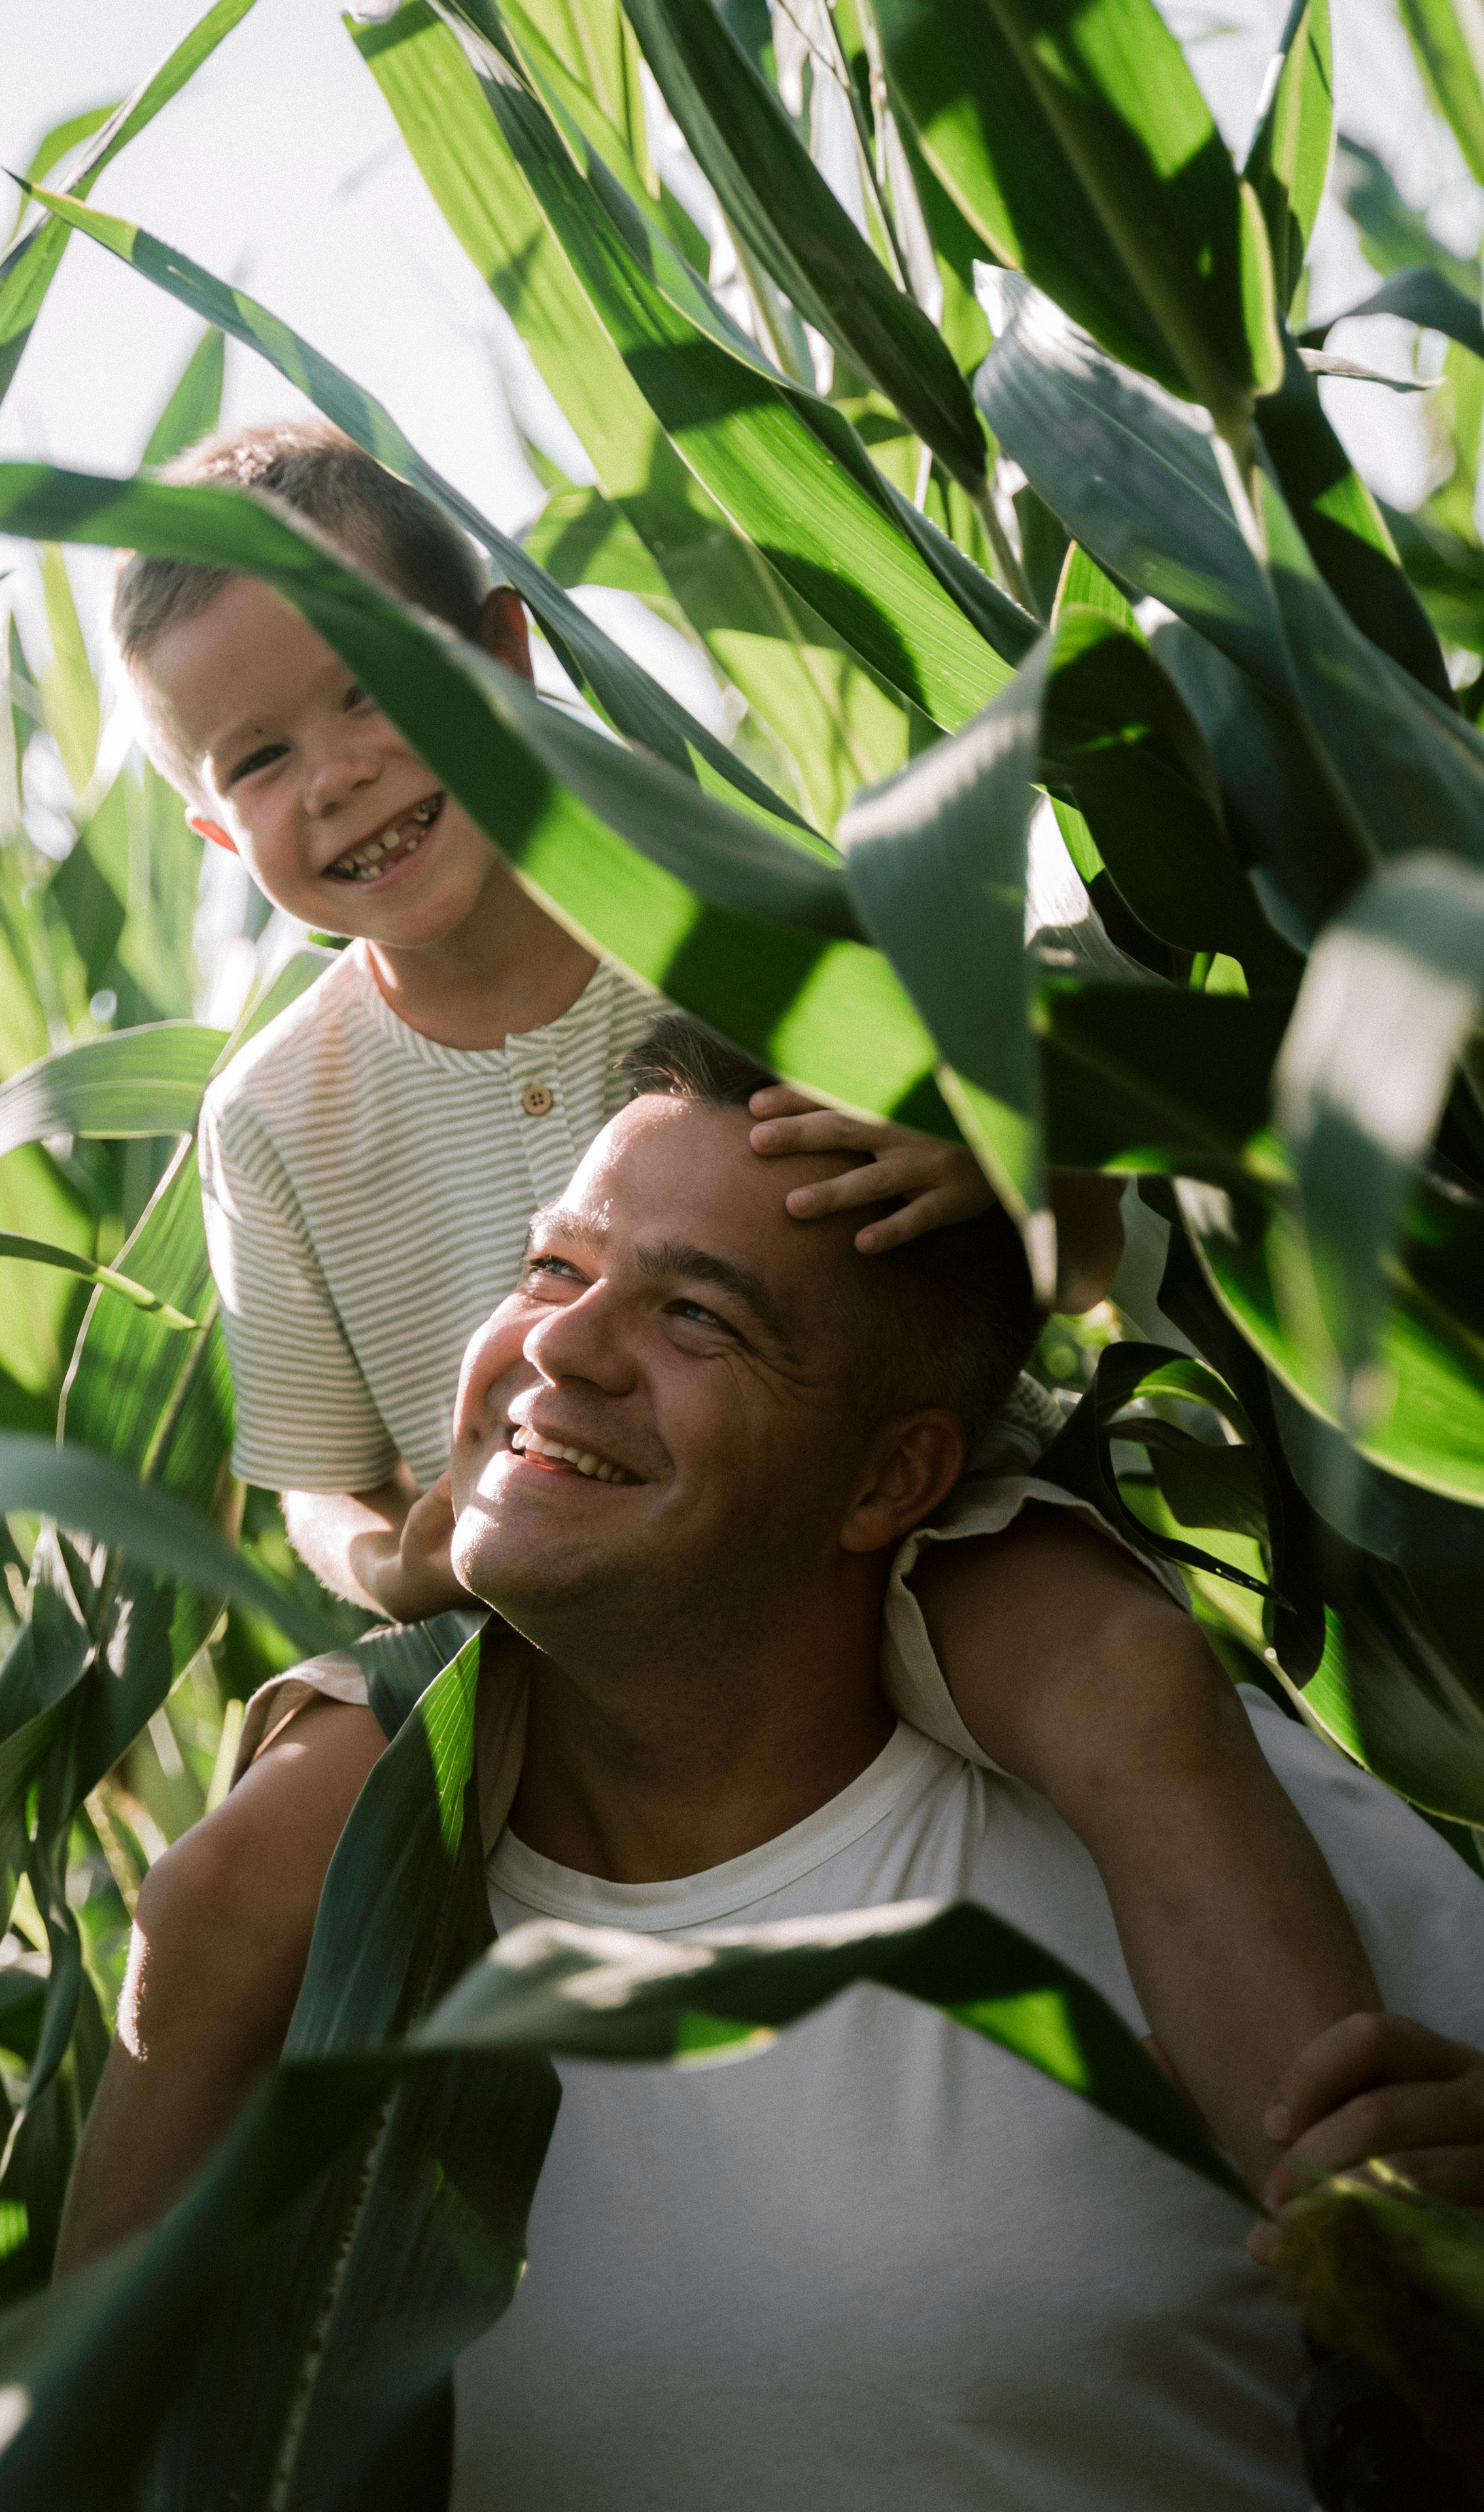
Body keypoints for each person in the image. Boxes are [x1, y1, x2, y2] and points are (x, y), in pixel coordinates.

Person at [54, 421, 1376, 2275]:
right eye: (257, 758)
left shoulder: (756, 929)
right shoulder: (273, 1115)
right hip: (509, 1611)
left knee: (1126, 1682)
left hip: (887, 1525)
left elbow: (1094, 1246)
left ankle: (1370, 2223)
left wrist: (999, 1147)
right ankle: (84, 2399)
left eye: (370, 687)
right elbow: (315, 1487)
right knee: (209, 1901)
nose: (338, 774)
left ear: (504, 654)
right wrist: (398, 1561)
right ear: (213, 829)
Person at [438, 1024, 1484, 2507]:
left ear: (892, 1480)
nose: (559, 1345)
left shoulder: (1208, 1831)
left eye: (698, 1319)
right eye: (554, 1267)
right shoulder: (348, 1937)